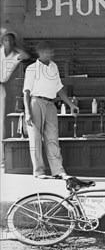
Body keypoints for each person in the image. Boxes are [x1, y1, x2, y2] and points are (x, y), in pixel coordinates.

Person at [23, 40, 79, 179]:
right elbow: (26, 92)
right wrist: (27, 112)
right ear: (40, 53)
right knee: (35, 138)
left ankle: (58, 171)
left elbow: (59, 88)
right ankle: (39, 171)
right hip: (36, 102)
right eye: (49, 51)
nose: (52, 54)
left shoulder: (53, 66)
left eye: (52, 51)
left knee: (52, 137)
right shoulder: (31, 68)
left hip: (51, 104)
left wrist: (71, 104)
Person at [1, 28, 30, 163]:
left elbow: (26, 56)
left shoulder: (14, 55)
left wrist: (15, 47)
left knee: (1, 123)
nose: (8, 42)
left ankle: (1, 157)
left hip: (0, 86)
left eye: (10, 40)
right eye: (6, 39)